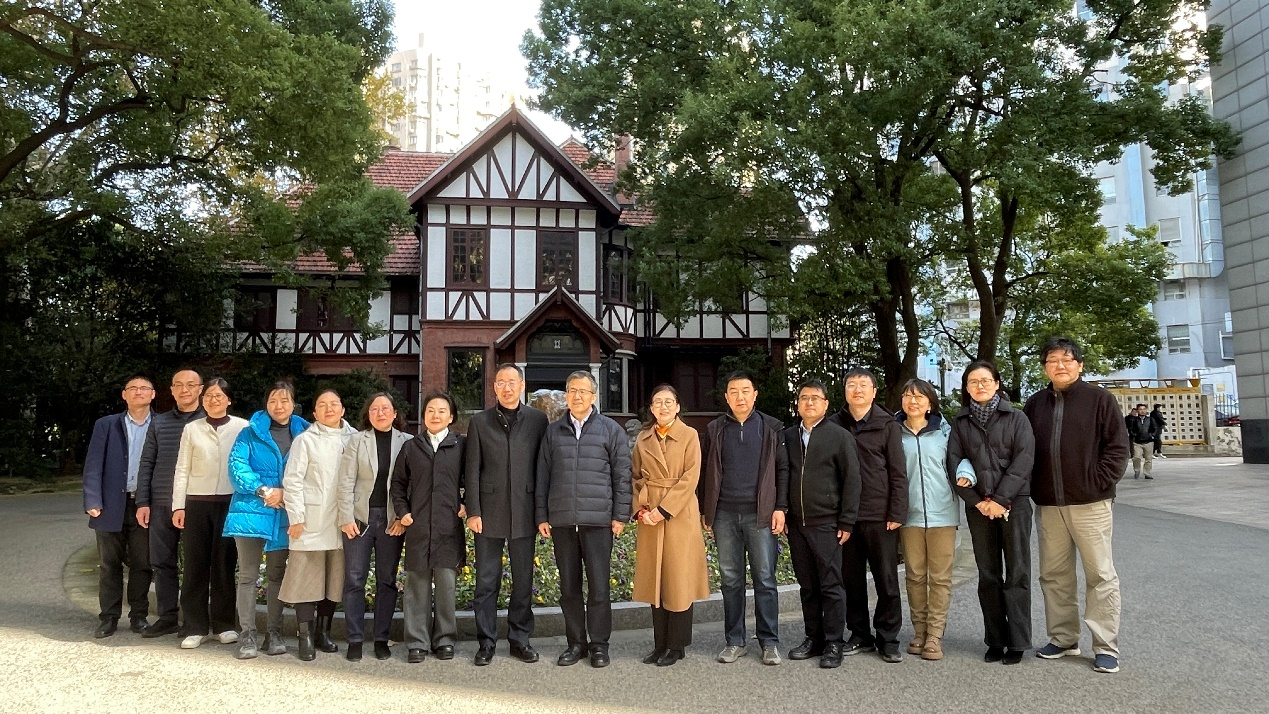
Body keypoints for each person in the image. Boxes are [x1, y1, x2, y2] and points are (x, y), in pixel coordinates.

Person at [1023, 337, 1129, 674]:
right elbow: (1024, 449)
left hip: (1091, 504)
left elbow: (1118, 448)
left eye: (1067, 360)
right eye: (1052, 360)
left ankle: (1106, 646)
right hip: (1049, 505)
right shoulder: (1035, 404)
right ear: (1045, 367)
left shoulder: (1099, 399)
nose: (1060, 365)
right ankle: (1063, 637)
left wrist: (1097, 482)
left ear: (1080, 365)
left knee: (1100, 574)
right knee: (1054, 575)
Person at [536, 371, 632, 669]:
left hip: (598, 521)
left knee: (600, 587)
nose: (577, 396)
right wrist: (542, 515)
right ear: (566, 395)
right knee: (569, 589)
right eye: (572, 391)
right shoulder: (554, 431)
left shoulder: (610, 430)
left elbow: (622, 476)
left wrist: (620, 515)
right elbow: (542, 476)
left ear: (594, 396)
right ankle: (576, 643)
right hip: (563, 520)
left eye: (583, 391)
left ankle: (599, 644)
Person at [948, 362, 1036, 665]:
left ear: (997, 384)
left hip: (1014, 504)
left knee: (1017, 571)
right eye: (973, 381)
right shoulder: (961, 422)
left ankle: (1018, 641)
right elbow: (954, 462)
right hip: (979, 507)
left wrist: (1000, 499)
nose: (980, 386)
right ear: (967, 387)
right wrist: (978, 502)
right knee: (988, 574)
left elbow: (1024, 460)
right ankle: (995, 639)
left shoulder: (1017, 418)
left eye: (986, 380)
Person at [700, 370, 788, 666]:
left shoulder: (771, 427)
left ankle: (769, 641)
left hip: (760, 514)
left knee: (765, 578)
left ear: (755, 395)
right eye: (734, 392)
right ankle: (734, 640)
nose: (740, 397)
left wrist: (781, 507)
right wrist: (706, 510)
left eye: (745, 391)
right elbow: (705, 472)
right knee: (730, 579)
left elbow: (783, 470)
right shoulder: (715, 429)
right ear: (726, 397)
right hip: (724, 514)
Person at [464, 364, 549, 666]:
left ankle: (520, 639)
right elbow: (472, 469)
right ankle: (486, 642)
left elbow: (543, 468)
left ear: (522, 386)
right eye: (501, 382)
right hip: (488, 512)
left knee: (523, 581)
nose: (507, 388)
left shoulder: (538, 420)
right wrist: (473, 510)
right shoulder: (480, 421)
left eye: (513, 382)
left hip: (525, 510)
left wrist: (542, 512)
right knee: (486, 582)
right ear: (494, 387)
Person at [828, 368, 907, 663]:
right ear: (844, 391)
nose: (857, 390)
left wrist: (897, 511)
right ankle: (859, 634)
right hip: (844, 516)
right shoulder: (833, 424)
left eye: (864, 385)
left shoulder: (888, 425)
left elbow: (898, 472)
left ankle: (888, 638)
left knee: (886, 579)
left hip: (880, 515)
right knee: (851, 579)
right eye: (852, 384)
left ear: (874, 392)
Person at [225, 381, 309, 658]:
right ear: (266, 404)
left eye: (284, 400)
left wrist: (286, 493)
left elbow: (312, 471)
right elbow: (237, 467)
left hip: (286, 513)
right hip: (252, 510)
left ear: (294, 404)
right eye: (273, 400)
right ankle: (247, 634)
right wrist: (264, 490)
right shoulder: (249, 433)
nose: (279, 405)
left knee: (277, 575)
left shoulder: (305, 433)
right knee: (248, 575)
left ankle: (273, 632)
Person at [781, 379, 860, 669]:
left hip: (827, 522)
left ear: (826, 404)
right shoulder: (788, 436)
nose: (809, 402)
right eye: (804, 398)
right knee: (808, 585)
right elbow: (782, 475)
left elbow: (852, 480)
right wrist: (783, 511)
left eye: (816, 398)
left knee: (831, 585)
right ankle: (813, 638)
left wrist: (847, 521)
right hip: (797, 524)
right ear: (798, 404)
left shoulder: (839, 436)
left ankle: (834, 642)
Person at [631, 385, 710, 667]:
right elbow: (635, 476)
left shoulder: (689, 435)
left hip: (679, 513)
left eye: (668, 402)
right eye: (657, 402)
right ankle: (660, 644)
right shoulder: (643, 438)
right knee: (656, 579)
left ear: (677, 407)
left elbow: (691, 478)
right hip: (650, 512)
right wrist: (641, 509)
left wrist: (663, 510)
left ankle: (676, 646)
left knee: (679, 579)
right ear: (651, 408)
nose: (663, 407)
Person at [897, 378, 975, 662]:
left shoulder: (946, 432)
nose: (913, 401)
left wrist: (967, 474)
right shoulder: (893, 433)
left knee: (940, 578)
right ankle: (919, 632)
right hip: (909, 515)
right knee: (915, 576)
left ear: (930, 403)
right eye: (908, 395)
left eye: (919, 396)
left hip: (942, 513)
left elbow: (964, 458)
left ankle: (934, 635)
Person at [171, 377, 248, 649]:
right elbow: (182, 468)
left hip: (230, 503)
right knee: (195, 565)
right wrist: (178, 505)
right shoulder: (192, 429)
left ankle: (224, 625)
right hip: (197, 503)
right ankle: (195, 626)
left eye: (219, 396)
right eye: (209, 396)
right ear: (203, 400)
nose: (214, 400)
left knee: (224, 564)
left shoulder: (243, 427)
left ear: (229, 400)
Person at [281, 388, 357, 661]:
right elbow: (292, 480)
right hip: (310, 520)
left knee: (333, 579)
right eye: (322, 405)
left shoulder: (355, 438)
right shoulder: (305, 440)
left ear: (343, 409)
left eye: (334, 404)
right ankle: (305, 636)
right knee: (306, 579)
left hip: (342, 520)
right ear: (314, 413)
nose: (329, 409)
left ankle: (323, 633)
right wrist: (296, 517)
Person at [390, 391, 466, 664]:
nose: (436, 415)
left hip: (448, 525)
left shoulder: (461, 445)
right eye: (431, 410)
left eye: (442, 411)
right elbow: (398, 484)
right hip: (419, 525)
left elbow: (474, 477)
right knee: (417, 586)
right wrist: (403, 512)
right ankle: (417, 642)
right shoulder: (412, 447)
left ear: (451, 416)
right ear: (423, 416)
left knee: (446, 585)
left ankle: (445, 639)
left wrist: (467, 503)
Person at [337, 392, 413, 662]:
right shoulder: (357, 441)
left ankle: (381, 638)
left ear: (395, 414)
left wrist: (402, 518)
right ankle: (355, 639)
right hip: (359, 518)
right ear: (368, 415)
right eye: (374, 409)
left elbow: (411, 485)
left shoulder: (407, 442)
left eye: (385, 409)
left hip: (392, 520)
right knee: (354, 579)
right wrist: (346, 517)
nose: (380, 413)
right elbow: (345, 481)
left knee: (386, 580)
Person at [83, 374, 155, 638]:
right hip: (110, 503)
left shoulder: (161, 425)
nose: (138, 392)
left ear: (153, 394)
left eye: (144, 388)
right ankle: (108, 617)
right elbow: (93, 464)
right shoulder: (106, 425)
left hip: (145, 504)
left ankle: (139, 616)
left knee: (142, 563)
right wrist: (92, 499)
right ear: (124, 395)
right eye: (132, 388)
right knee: (109, 564)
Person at [135, 368, 205, 638]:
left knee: (197, 564)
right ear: (172, 390)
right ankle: (167, 617)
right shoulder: (160, 423)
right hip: (162, 501)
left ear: (200, 389)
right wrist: (143, 501)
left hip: (196, 502)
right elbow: (147, 462)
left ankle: (194, 619)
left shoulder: (208, 421)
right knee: (162, 562)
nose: (185, 389)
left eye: (191, 384)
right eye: (178, 385)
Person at [1126, 404, 1157, 480]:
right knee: (1136, 457)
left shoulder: (1150, 419)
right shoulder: (1134, 420)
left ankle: (1147, 473)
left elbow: (1155, 428)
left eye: (1144, 409)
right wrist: (1135, 435)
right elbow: (1131, 429)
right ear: (1137, 411)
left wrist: (1151, 435)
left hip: (1148, 442)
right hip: (1137, 442)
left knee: (1148, 459)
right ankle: (1137, 470)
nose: (1142, 411)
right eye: (1140, 409)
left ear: (1146, 410)